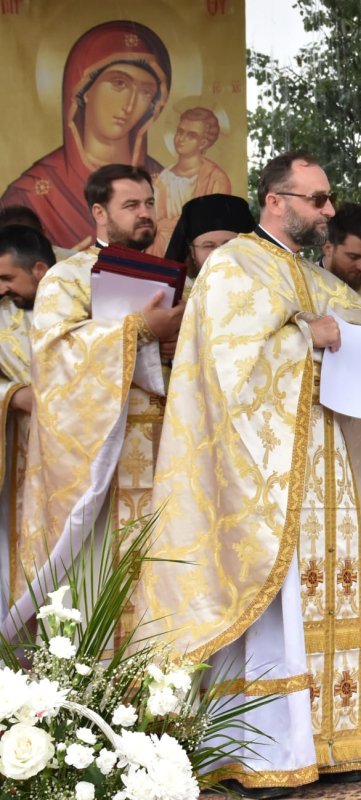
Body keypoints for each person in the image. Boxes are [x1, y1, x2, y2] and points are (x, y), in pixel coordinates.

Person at [134, 152, 361, 797]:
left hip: (321, 460)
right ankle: (265, 751)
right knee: (275, 607)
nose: (329, 210)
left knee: (320, 598)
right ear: (277, 200)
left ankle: (326, 741)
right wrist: (304, 338)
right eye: (318, 199)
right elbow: (226, 365)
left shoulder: (307, 276)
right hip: (258, 471)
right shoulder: (234, 266)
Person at [3, 164, 183, 638]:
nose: (145, 214)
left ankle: (160, 704)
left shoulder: (176, 278)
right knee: (94, 582)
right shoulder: (68, 278)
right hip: (97, 462)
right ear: (99, 212)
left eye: (149, 204)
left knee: (157, 583)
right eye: (132, 206)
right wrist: (140, 331)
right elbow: (55, 354)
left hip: (162, 456)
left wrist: (173, 345)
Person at [1, 21, 171, 253]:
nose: (130, 105)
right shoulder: (30, 193)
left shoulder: (166, 182)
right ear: (82, 89)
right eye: (119, 83)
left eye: (145, 91)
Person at [0, 226, 54, 612]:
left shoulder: (86, 303)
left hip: (81, 456)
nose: (2, 289)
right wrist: (12, 395)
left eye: (7, 278)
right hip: (18, 454)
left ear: (38, 269)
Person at [152, 107, 234, 255]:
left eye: (191, 135)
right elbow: (155, 223)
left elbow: (214, 225)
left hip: (201, 252)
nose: (181, 139)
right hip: (163, 252)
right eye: (180, 131)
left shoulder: (215, 178)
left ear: (203, 143)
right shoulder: (163, 178)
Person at [163, 193, 256, 278]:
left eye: (229, 244)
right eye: (208, 246)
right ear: (193, 253)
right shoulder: (181, 295)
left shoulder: (267, 290)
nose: (219, 253)